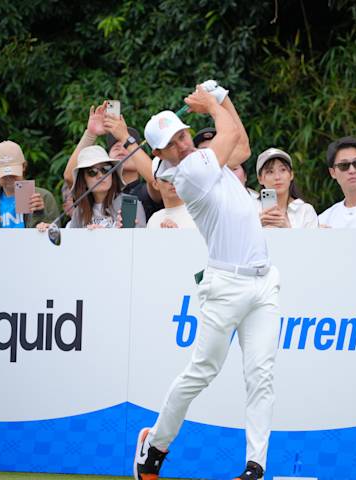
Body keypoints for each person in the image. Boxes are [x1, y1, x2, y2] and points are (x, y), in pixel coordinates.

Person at [131, 82, 278, 480]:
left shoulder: (208, 159)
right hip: (225, 286)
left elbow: (240, 144)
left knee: (261, 376)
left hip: (263, 282)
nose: (182, 144)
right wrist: (212, 104)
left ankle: (255, 466)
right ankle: (155, 445)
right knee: (202, 371)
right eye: (171, 143)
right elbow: (227, 135)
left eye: (182, 135)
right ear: (159, 154)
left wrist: (223, 97)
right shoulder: (189, 172)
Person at [64, 103, 162, 222]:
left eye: (126, 146)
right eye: (115, 147)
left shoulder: (146, 191)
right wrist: (91, 134)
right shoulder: (97, 191)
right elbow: (70, 177)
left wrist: (125, 137)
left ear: (139, 157)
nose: (120, 148)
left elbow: (157, 180)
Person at [0, 140, 58, 228]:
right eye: (3, 174)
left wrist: (40, 214)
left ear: (24, 166)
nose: (9, 177)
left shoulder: (43, 197)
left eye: (13, 173)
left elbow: (55, 232)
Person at [63, 145, 134, 229]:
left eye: (106, 169)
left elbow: (138, 237)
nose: (100, 176)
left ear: (112, 174)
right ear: (84, 181)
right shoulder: (79, 212)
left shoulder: (129, 204)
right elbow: (72, 237)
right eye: (92, 172)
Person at [255, 147, 318, 228]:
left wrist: (286, 228)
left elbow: (312, 237)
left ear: (291, 175)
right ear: (260, 179)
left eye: (283, 170)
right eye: (270, 172)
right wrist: (256, 225)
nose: (277, 177)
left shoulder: (305, 211)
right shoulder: (251, 209)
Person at [146, 158, 197, 229]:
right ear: (155, 184)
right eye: (166, 178)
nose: (172, 182)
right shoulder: (154, 219)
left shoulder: (199, 214)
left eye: (177, 175)